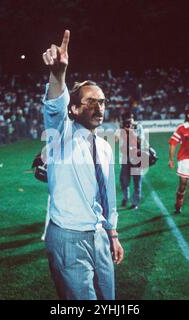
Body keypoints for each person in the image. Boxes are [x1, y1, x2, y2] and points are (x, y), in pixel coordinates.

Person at [41, 30, 124, 300]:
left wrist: (112, 233)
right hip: (68, 238)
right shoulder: (60, 136)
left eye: (102, 102)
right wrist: (58, 74)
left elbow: (108, 195)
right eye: (90, 101)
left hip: (99, 234)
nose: (99, 107)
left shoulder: (104, 146)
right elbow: (55, 106)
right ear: (75, 109)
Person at [119, 111, 149, 210]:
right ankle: (125, 197)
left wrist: (132, 132)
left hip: (137, 157)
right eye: (127, 121)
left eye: (130, 120)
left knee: (137, 181)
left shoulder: (138, 127)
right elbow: (115, 139)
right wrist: (122, 129)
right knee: (124, 180)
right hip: (125, 157)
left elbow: (141, 140)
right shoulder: (122, 127)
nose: (129, 123)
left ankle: (135, 202)